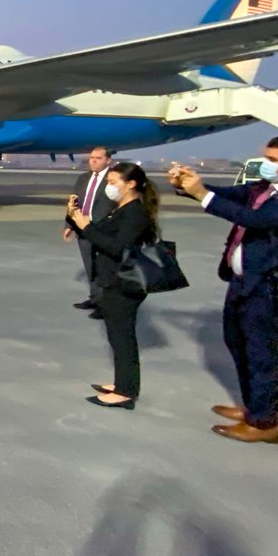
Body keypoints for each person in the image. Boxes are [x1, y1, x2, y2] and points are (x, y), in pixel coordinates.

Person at [172, 134, 278, 443]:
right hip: (244, 282)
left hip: (271, 289)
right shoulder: (263, 190)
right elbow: (225, 196)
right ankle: (254, 407)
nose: (265, 165)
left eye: (273, 160)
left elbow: (255, 220)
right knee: (237, 344)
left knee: (261, 354)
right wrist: (188, 185)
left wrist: (202, 195)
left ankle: (265, 425)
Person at [67, 162, 158, 410]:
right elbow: (95, 233)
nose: (109, 187)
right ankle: (122, 384)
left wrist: (87, 227)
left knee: (123, 336)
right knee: (116, 337)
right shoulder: (121, 209)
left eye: (112, 182)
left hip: (124, 283)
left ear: (131, 185)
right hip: (111, 280)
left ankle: (126, 392)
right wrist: (74, 218)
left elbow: (117, 247)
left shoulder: (135, 213)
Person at [63, 146, 116, 318]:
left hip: (103, 231)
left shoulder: (114, 179)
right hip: (83, 229)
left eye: (98, 158)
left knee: (104, 269)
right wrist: (69, 225)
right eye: (91, 158)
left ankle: (106, 304)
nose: (93, 161)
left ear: (108, 160)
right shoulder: (83, 178)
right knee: (90, 267)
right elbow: (74, 202)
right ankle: (95, 298)